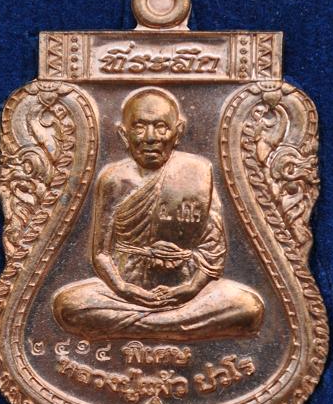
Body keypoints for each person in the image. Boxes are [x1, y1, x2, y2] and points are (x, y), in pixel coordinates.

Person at [52, 88, 264, 341]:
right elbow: (100, 253)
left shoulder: (197, 171)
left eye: (161, 127)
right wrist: (124, 288)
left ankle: (145, 326)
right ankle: (173, 328)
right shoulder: (113, 179)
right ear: (123, 134)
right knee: (68, 305)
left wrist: (191, 288)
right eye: (139, 127)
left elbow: (213, 247)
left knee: (248, 307)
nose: (150, 137)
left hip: (189, 293)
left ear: (178, 132)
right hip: (123, 294)